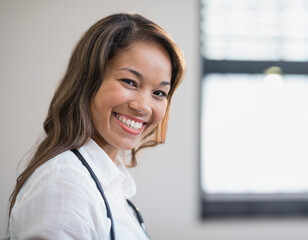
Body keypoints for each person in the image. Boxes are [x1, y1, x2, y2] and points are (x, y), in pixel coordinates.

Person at [8, 12, 185, 240]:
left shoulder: (108, 184)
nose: (144, 107)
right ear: (88, 81)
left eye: (159, 93)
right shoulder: (64, 183)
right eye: (129, 82)